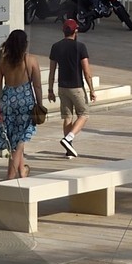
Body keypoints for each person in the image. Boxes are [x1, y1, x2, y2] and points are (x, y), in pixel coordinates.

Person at [0, 29, 43, 178]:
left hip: (7, 103)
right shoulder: (31, 60)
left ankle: (22, 171)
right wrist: (40, 104)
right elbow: (37, 86)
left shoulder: (3, 62)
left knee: (14, 142)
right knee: (20, 142)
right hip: (26, 105)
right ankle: (10, 177)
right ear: (25, 44)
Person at [49, 14, 95, 157]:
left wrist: (50, 90)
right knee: (84, 114)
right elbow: (87, 72)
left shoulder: (55, 47)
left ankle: (69, 150)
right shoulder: (80, 47)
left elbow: (52, 71)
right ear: (75, 31)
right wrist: (92, 90)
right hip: (76, 87)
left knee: (67, 117)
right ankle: (68, 138)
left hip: (62, 87)